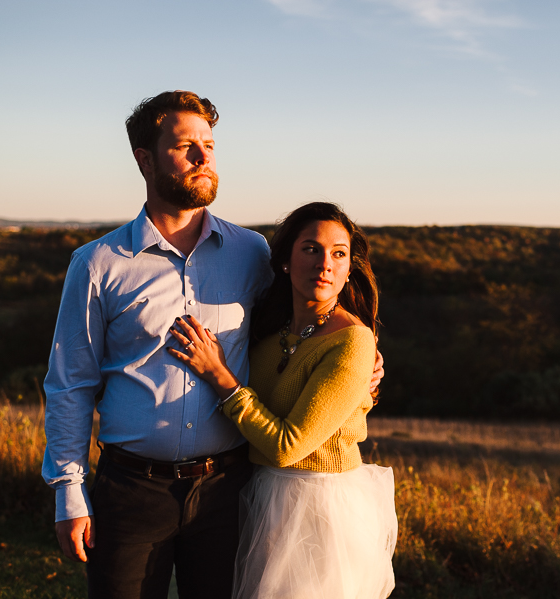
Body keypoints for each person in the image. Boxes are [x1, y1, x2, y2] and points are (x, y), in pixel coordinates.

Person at [41, 91, 383, 598]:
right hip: (132, 489)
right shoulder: (98, 264)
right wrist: (69, 493)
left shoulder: (251, 252)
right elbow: (70, 384)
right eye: (185, 146)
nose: (204, 158)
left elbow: (300, 324)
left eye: (210, 144)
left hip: (231, 489)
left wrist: (362, 367)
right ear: (145, 159)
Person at [168, 201, 397, 599]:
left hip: (319, 510)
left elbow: (287, 447)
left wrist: (221, 377)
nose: (324, 263)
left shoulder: (353, 341)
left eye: (338, 254)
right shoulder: (271, 331)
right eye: (311, 248)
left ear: (348, 269)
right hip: (259, 497)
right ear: (287, 261)